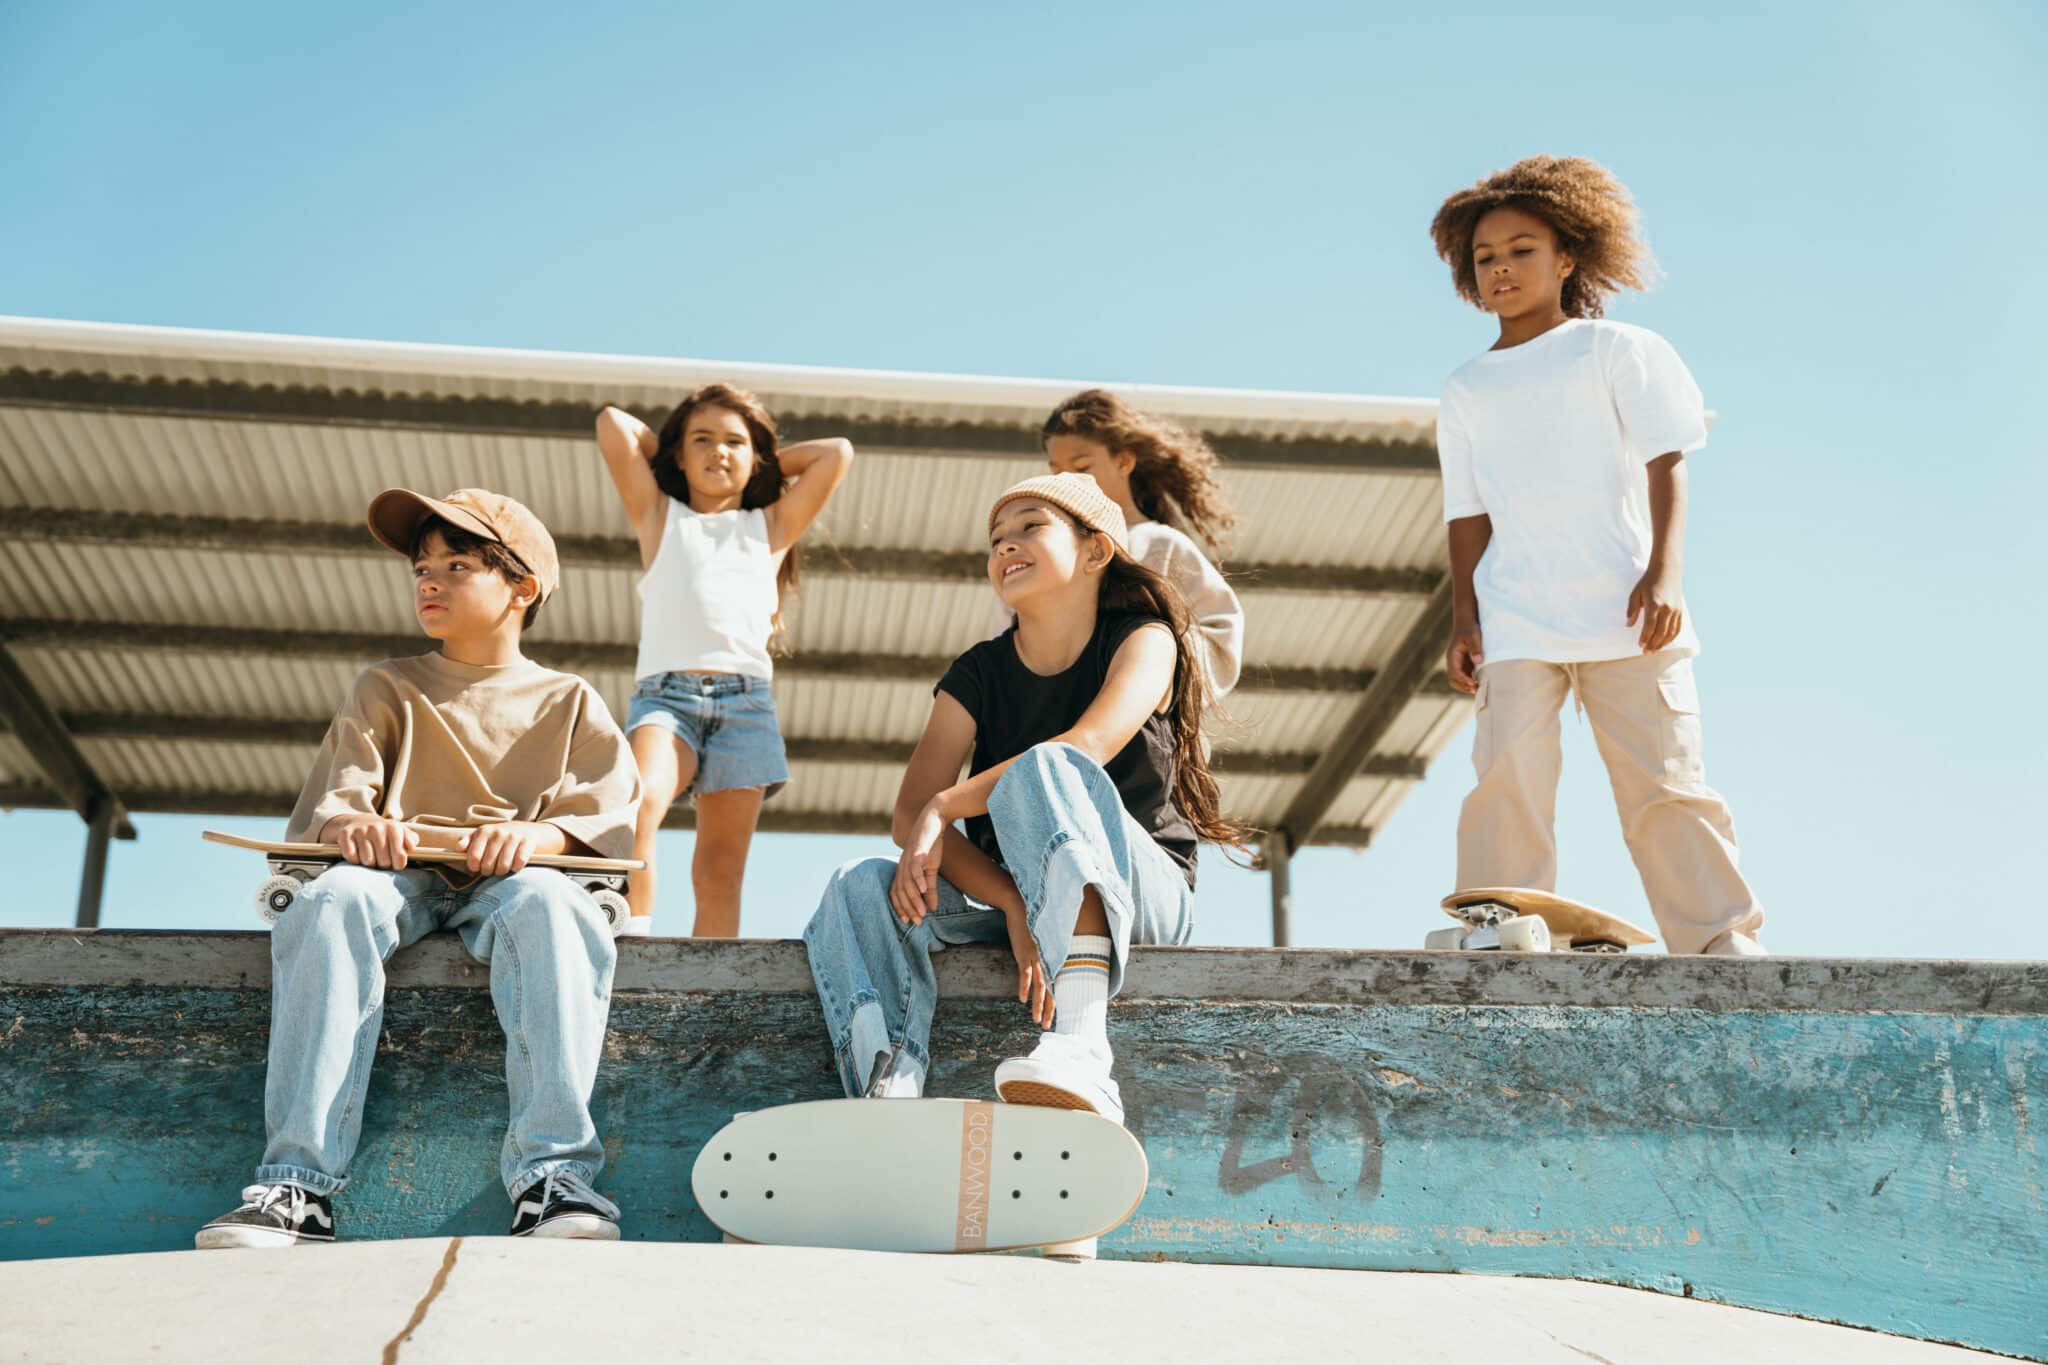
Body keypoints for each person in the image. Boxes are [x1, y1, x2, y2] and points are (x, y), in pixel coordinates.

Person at [197, 488, 641, 1248]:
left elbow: (599, 822)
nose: (429, 580)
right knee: (334, 899)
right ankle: (297, 1187)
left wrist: (532, 839)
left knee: (552, 907)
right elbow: (336, 805)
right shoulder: (387, 685)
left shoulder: (569, 701)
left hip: (511, 879)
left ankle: (553, 1179)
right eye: (422, 567)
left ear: (522, 589)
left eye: (457, 565)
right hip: (396, 872)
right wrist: (355, 827)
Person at [802, 473, 1251, 1123]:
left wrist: (947, 805)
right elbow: (908, 815)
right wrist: (1011, 898)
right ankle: (887, 1087)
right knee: (859, 885)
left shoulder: (1146, 639)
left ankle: (1081, 1045)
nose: (1006, 546)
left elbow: (1084, 747)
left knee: (1050, 765)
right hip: (1030, 911)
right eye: (996, 539)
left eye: (1030, 526)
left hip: (1142, 898)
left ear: (1096, 551)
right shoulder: (978, 672)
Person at [1428, 154, 1765, 955]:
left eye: (1521, 250)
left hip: (1628, 608)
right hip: (1516, 617)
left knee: (1664, 783)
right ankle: (1498, 925)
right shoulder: (1466, 388)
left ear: (1567, 257)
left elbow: (1667, 462)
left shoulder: (1620, 350)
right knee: (1506, 776)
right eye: (1485, 258)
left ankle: (1717, 939)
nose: (1501, 269)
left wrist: (1665, 573)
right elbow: (1466, 516)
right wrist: (1465, 618)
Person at [593, 387, 852, 936]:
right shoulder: (660, 516)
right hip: (667, 701)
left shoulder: (771, 528)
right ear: (679, 456)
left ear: (754, 457)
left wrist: (760, 463)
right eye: (702, 441)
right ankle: (632, 941)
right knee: (638, 805)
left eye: (735, 442)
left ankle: (710, 995)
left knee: (719, 871)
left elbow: (837, 453)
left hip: (746, 708)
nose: (719, 452)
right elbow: (614, 423)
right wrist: (672, 455)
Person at [1018, 388, 1244, 698]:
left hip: (1144, 735)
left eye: (1082, 468)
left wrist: (1148, 667)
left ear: (1124, 461)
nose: (1070, 482)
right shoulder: (1042, 551)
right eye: (1056, 472)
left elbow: (1221, 640)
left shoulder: (1160, 545)